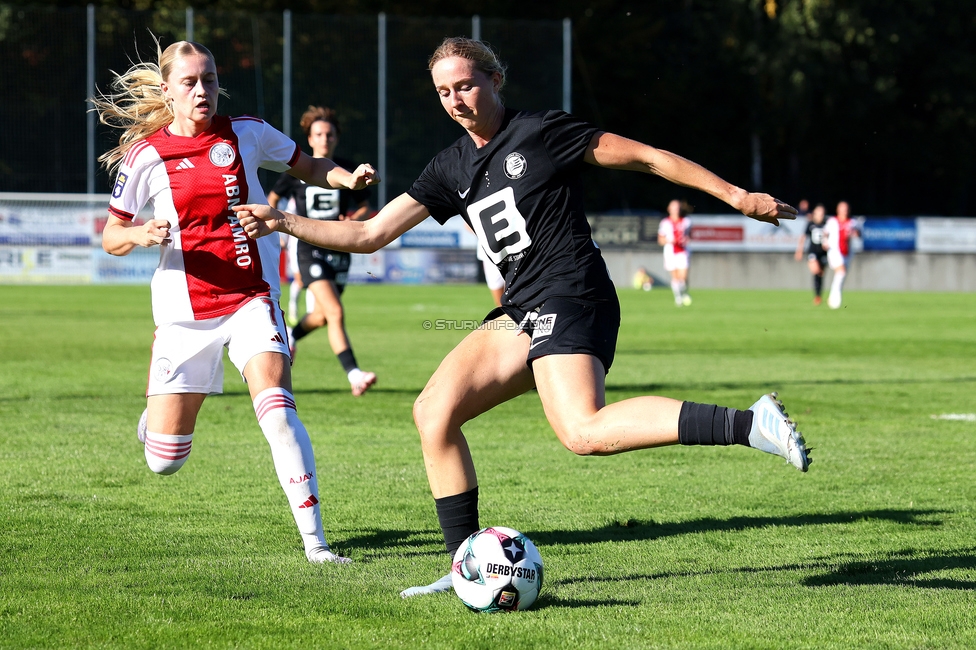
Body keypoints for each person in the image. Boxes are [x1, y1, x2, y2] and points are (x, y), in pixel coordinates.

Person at [234, 37, 810, 598]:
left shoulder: (541, 131)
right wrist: (282, 222)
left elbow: (650, 158)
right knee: (433, 413)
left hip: (573, 293)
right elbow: (367, 233)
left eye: (466, 85)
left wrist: (736, 195)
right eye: (443, 93)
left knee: (582, 430)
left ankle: (749, 423)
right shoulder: (450, 166)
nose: (457, 100)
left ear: (494, 81)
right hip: (521, 308)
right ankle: (464, 567)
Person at [92, 39, 378, 564]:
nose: (203, 90)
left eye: (210, 79)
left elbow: (307, 166)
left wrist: (345, 176)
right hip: (184, 316)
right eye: (190, 82)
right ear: (167, 91)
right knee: (165, 461)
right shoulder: (146, 155)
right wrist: (138, 235)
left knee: (276, 410)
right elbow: (111, 234)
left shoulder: (245, 132)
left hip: (252, 297)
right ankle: (153, 417)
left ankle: (316, 543)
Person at [266, 106, 377, 396]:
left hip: (340, 248)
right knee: (336, 311)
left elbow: (366, 205)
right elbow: (273, 197)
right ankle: (355, 374)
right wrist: (276, 226)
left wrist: (355, 219)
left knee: (323, 316)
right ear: (310, 139)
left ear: (336, 138)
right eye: (318, 134)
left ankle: (290, 335)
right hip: (309, 250)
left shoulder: (344, 169)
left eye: (329, 134)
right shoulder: (297, 171)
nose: (324, 139)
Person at [823, 200, 860, 309]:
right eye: (843, 209)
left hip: (847, 253)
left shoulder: (853, 222)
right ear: (838, 210)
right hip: (834, 251)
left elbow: (858, 234)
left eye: (846, 209)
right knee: (841, 271)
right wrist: (825, 242)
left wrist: (854, 233)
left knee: (842, 275)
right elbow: (825, 233)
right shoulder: (832, 221)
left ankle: (832, 297)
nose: (845, 211)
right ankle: (835, 300)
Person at [657, 199, 693, 306]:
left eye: (677, 207)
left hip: (683, 251)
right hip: (670, 252)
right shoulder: (665, 223)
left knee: (683, 277)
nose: (676, 210)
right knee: (676, 278)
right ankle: (678, 298)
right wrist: (669, 240)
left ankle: (684, 292)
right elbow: (660, 240)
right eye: (673, 207)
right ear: (669, 209)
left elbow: (690, 236)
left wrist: (687, 239)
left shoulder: (686, 221)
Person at [794, 203, 828, 305]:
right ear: (815, 213)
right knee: (816, 271)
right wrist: (799, 251)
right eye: (819, 213)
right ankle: (817, 297)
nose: (821, 215)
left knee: (821, 274)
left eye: (822, 213)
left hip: (823, 253)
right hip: (813, 252)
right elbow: (803, 237)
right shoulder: (810, 224)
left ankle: (818, 296)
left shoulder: (827, 224)